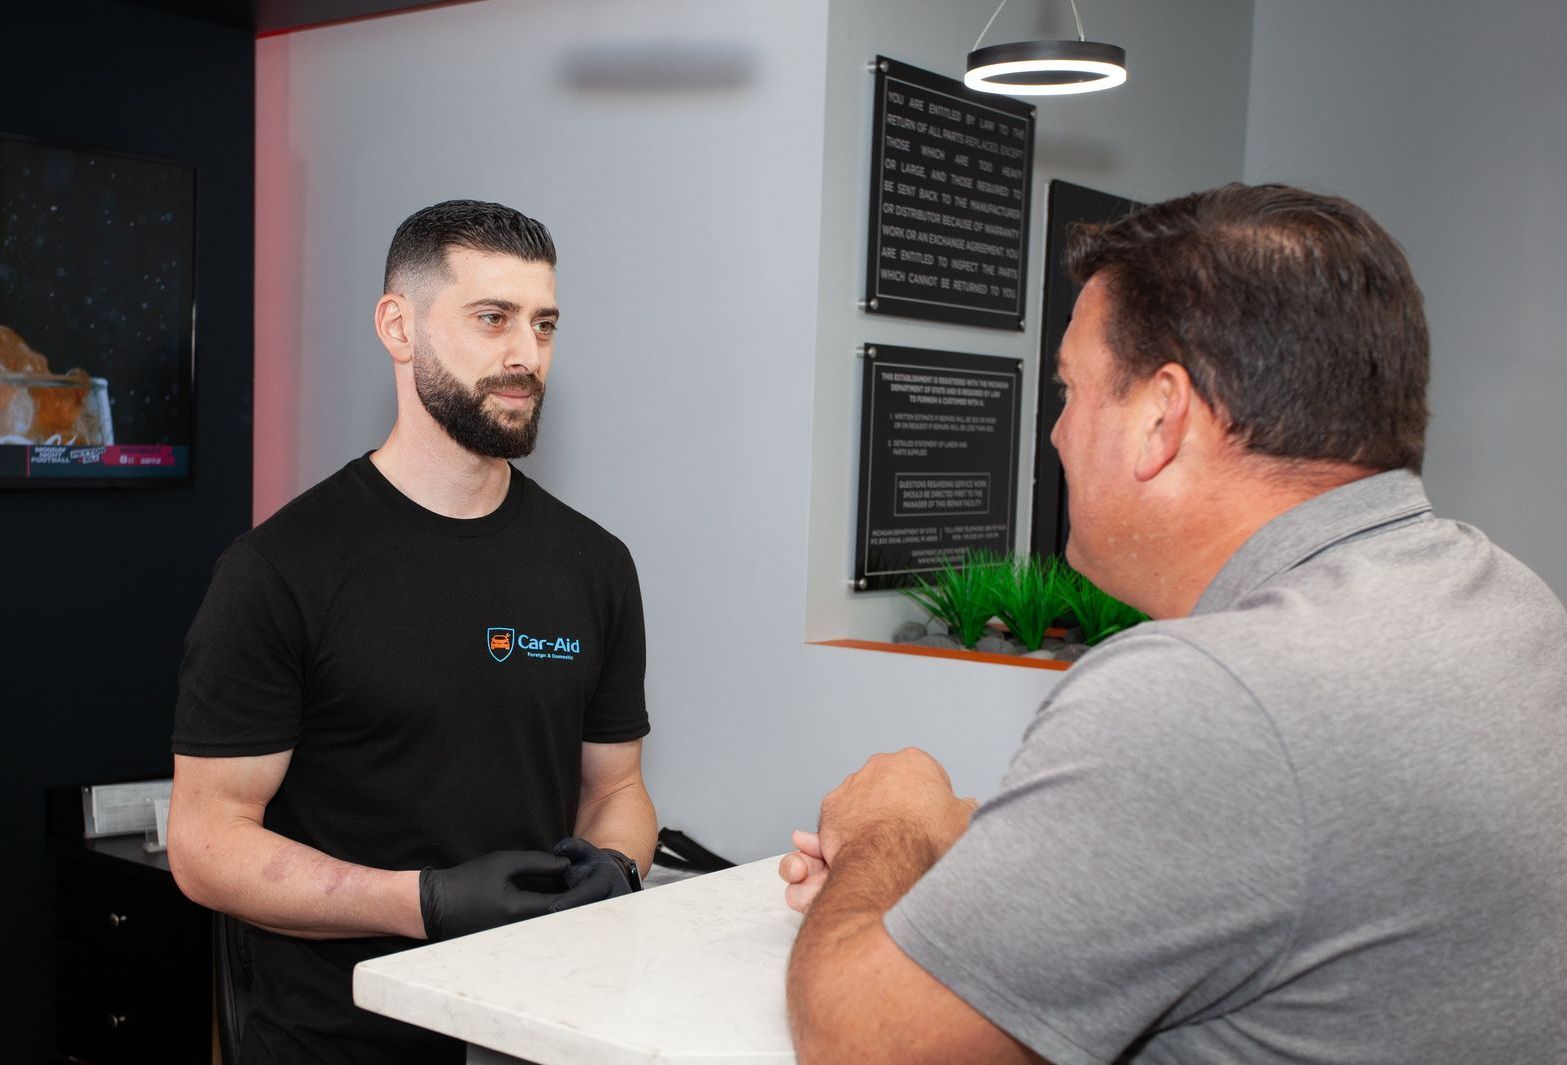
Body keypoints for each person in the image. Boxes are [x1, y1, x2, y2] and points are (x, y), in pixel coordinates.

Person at [780, 183, 1567, 1065]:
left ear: (1161, 415)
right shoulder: (1502, 596)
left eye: (1071, 389)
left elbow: (859, 1041)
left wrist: (893, 826)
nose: (1058, 434)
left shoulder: (1206, 692)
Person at [168, 200, 656, 1065]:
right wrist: (422, 902)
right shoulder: (281, 569)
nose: (525, 355)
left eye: (543, 324)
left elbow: (615, 787)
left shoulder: (594, 563)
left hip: (530, 1024)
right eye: (491, 318)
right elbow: (206, 846)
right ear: (399, 326)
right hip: (334, 1034)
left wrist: (612, 867)